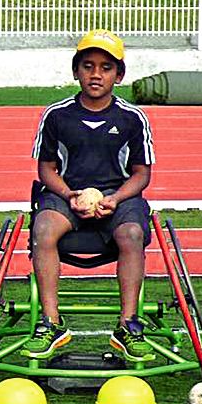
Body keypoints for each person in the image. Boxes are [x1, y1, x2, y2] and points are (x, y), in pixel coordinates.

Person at [23, 31, 157, 362]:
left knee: (132, 233)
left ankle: (127, 325)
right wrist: (70, 195)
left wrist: (113, 199)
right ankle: (51, 323)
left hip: (119, 200)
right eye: (88, 66)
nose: (96, 74)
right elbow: (46, 170)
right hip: (67, 196)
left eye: (106, 67)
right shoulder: (57, 115)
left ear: (119, 75)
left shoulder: (132, 118)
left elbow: (142, 174)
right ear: (75, 71)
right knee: (42, 229)